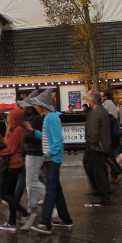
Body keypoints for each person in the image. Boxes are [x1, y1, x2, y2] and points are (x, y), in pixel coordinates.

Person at [29, 89, 73, 235]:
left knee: (50, 191)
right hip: (52, 157)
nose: (35, 106)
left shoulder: (52, 118)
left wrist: (49, 155)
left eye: (37, 104)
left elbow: (58, 140)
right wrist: (34, 132)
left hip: (53, 158)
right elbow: (47, 136)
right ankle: (66, 219)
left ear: (43, 104)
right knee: (56, 190)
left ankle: (45, 223)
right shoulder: (48, 117)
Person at [0, 109, 29, 231]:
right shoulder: (16, 129)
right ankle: (12, 222)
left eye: (10, 116)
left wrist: (0, 152)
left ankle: (24, 212)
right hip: (13, 164)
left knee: (4, 194)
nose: (8, 118)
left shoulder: (18, 130)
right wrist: (0, 137)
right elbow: (9, 144)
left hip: (13, 165)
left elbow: (12, 148)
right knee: (9, 194)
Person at [20, 91, 45, 229]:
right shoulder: (31, 117)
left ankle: (49, 203)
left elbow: (36, 136)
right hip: (31, 152)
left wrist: (25, 134)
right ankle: (32, 207)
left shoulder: (35, 119)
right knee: (31, 182)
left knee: (32, 181)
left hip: (34, 152)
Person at [83, 90, 112, 206]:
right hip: (102, 145)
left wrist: (92, 144)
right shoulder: (102, 111)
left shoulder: (95, 113)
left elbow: (94, 132)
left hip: (97, 146)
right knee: (98, 169)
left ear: (92, 100)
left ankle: (103, 195)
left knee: (98, 171)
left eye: (88, 99)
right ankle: (102, 191)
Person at [100, 91, 122, 183]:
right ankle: (114, 175)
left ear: (105, 97)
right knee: (109, 154)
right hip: (113, 132)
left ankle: (118, 171)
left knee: (107, 154)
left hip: (109, 133)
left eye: (101, 96)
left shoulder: (106, 105)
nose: (100, 98)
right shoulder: (112, 105)